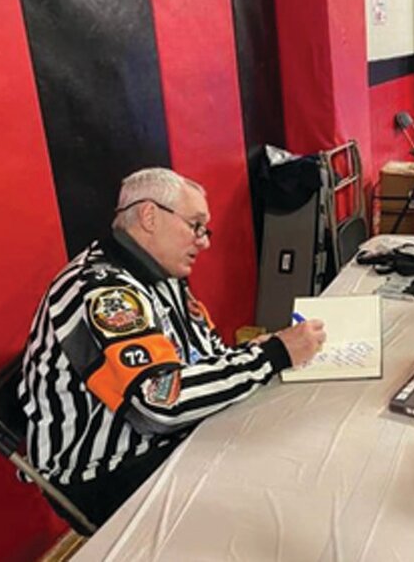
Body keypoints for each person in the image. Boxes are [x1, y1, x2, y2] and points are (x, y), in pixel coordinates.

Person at [18, 167, 326, 531]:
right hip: (104, 470)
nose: (204, 241)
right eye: (195, 225)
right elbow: (161, 404)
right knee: (267, 504)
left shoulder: (162, 275)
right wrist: (272, 355)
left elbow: (203, 355)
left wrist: (251, 355)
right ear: (149, 216)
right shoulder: (103, 292)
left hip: (157, 440)